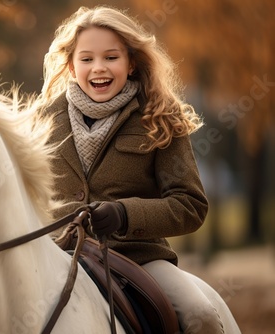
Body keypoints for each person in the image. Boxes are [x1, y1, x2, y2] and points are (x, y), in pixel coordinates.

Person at [35, 5, 224, 333]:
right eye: (87, 59)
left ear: (131, 62)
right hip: (55, 259)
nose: (98, 68)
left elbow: (191, 206)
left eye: (111, 57)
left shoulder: (162, 117)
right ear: (70, 65)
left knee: (201, 315)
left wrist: (125, 215)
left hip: (141, 260)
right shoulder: (41, 121)